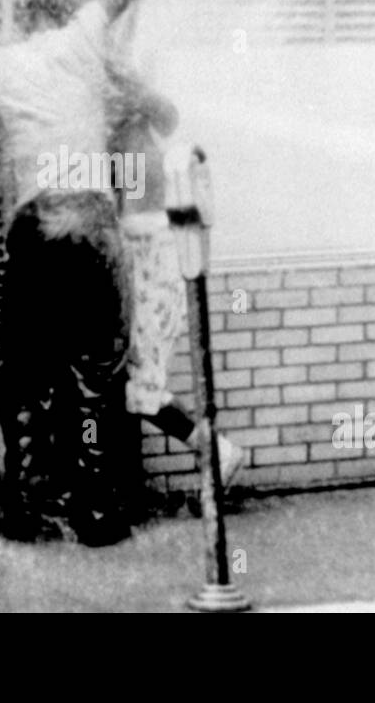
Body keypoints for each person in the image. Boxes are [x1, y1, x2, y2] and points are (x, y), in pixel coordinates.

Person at [0, 0, 155, 546]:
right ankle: (97, 514)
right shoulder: (81, 40)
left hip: (33, 223)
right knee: (96, 377)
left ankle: (25, 509)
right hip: (91, 221)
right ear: (65, 12)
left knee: (27, 376)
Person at [110, 61, 246, 484]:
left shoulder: (138, 138)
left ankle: (217, 450)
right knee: (134, 386)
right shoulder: (139, 139)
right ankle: (211, 452)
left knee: (141, 389)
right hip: (151, 267)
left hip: (151, 267)